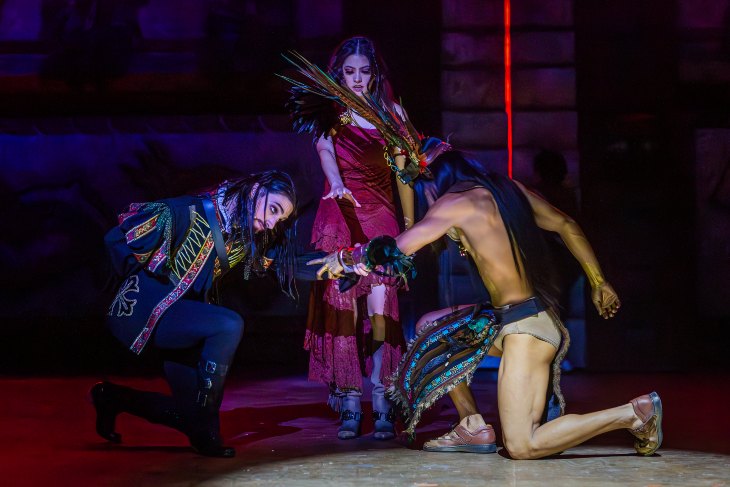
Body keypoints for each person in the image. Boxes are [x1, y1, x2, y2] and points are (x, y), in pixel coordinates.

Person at [311, 138, 662, 459]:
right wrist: (599, 282)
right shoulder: (508, 189)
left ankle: (634, 414)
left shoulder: (454, 203)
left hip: (527, 329)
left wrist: (346, 259)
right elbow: (566, 225)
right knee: (431, 326)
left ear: (434, 181)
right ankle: (472, 425)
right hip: (505, 319)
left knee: (522, 445)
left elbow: (397, 248)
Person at [91, 170, 298, 458]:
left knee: (192, 420)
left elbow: (286, 266)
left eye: (281, 219)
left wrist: (344, 261)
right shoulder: (186, 211)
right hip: (148, 313)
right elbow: (115, 238)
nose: (273, 223)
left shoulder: (244, 236)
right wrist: (143, 284)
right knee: (228, 324)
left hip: (186, 321)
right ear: (255, 191)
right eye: (274, 209)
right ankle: (206, 420)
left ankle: (111, 397)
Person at [294, 36, 412, 440]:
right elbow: (325, 150)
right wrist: (336, 183)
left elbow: (405, 171)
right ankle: (348, 403)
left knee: (381, 311)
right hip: (340, 210)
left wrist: (411, 225)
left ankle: (381, 402)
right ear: (339, 73)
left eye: (364, 71)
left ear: (374, 73)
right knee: (345, 310)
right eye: (349, 71)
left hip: (381, 216)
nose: (357, 79)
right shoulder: (329, 109)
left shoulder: (392, 113)